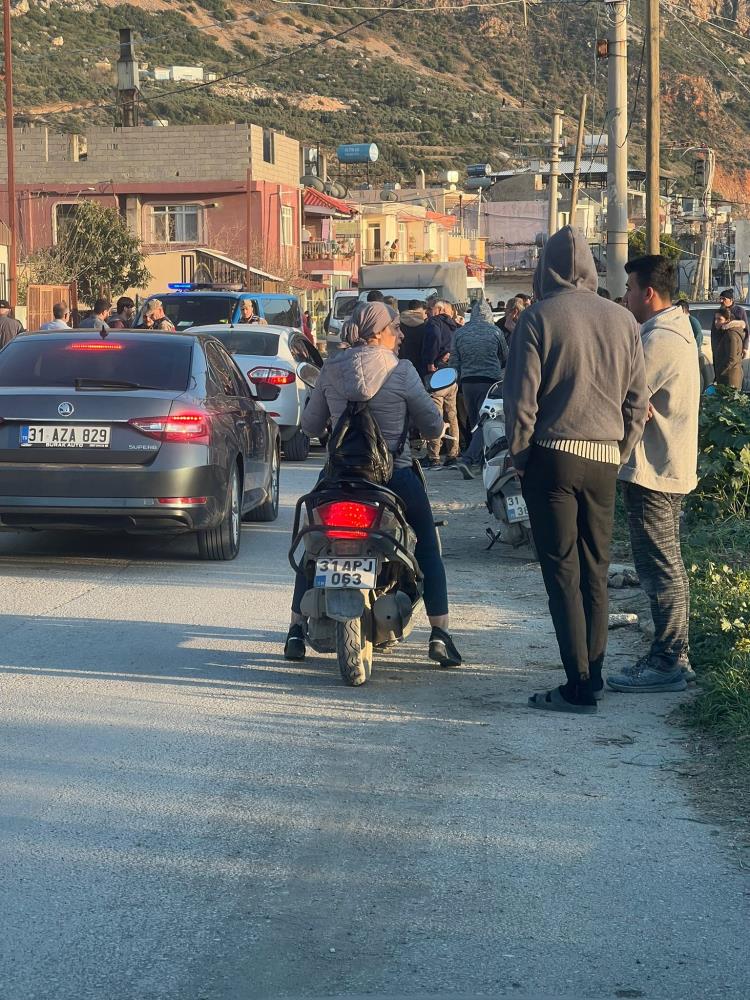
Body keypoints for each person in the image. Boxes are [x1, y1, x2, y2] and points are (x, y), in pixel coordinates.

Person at [503, 226, 648, 713]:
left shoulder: (537, 317)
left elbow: (522, 402)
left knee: (561, 572)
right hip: (605, 459)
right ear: (590, 267)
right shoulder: (623, 319)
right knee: (596, 572)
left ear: (546, 269)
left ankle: (576, 684)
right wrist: (621, 451)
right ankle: (597, 677)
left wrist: (523, 458)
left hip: (553, 457)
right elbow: (637, 401)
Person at [284, 301, 463, 668]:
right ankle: (440, 634)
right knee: (427, 546)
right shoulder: (402, 370)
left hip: (338, 479)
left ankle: (295, 630)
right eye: (395, 328)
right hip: (393, 478)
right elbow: (431, 425)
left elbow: (311, 428)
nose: (399, 335)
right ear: (379, 332)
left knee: (313, 548)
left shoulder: (332, 369)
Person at [607, 254, 700, 694]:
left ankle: (669, 660)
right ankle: (673, 655)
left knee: (660, 566)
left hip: (654, 470)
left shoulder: (659, 339)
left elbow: (627, 398)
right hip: (662, 466)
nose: (624, 298)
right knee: (663, 563)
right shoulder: (671, 330)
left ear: (647, 293)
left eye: (628, 290)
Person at [451, 299, 508, 471]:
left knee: (475, 420)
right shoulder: (495, 332)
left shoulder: (460, 333)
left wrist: (455, 379)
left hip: (467, 382)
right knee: (487, 421)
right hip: (490, 382)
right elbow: (505, 356)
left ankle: (480, 459)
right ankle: (470, 459)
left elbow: (454, 360)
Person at [421, 300, 460, 468]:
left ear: (439, 309)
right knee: (452, 415)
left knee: (434, 415)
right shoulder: (456, 326)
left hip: (436, 374)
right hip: (451, 375)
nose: (428, 312)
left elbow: (434, 339)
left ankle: (433, 455)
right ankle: (453, 453)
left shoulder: (433, 323)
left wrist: (430, 361)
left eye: (430, 309)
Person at [712, 306, 744, 389]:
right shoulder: (727, 333)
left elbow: (732, 359)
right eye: (715, 319)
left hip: (730, 379)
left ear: (727, 320)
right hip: (728, 377)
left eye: (719, 319)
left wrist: (720, 373)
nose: (716, 322)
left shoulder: (730, 334)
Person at [713, 289, 749, 358]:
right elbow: (714, 331)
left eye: (724, 299)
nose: (721, 301)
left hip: (736, 347)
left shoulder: (739, 311)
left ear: (731, 300)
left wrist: (745, 347)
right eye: (720, 298)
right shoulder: (718, 312)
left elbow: (746, 331)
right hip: (721, 346)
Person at [399, 300, 429, 375]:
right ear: (421, 310)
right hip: (420, 363)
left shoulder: (398, 325)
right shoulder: (426, 326)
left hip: (402, 361)